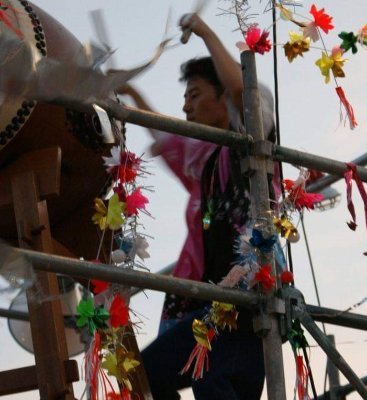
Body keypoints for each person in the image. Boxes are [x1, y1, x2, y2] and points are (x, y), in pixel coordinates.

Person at [117, 14, 276, 400]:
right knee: (163, 378)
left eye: (194, 96)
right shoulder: (205, 160)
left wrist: (204, 31)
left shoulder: (250, 139)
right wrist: (131, 96)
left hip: (246, 300)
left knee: (158, 376)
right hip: (215, 307)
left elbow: (242, 89)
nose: (186, 109)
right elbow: (167, 136)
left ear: (222, 96)